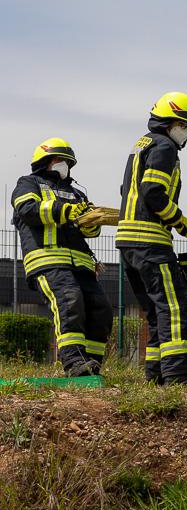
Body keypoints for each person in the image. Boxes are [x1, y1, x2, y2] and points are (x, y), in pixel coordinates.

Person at [115, 91, 187, 388]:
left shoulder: (140, 146)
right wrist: (180, 220)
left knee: (156, 311)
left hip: (128, 242)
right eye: (185, 127)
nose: (186, 135)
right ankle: (178, 374)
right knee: (174, 305)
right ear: (171, 123)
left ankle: (156, 373)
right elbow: (153, 193)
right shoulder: (164, 147)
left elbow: (128, 191)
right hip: (149, 240)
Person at [11, 138, 112, 376]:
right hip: (48, 260)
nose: (63, 164)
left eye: (67, 161)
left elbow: (91, 232)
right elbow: (27, 210)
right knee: (70, 301)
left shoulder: (77, 193)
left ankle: (92, 365)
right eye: (58, 160)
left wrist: (91, 221)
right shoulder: (28, 183)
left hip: (81, 263)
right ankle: (74, 363)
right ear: (44, 162)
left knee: (101, 309)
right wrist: (64, 211)